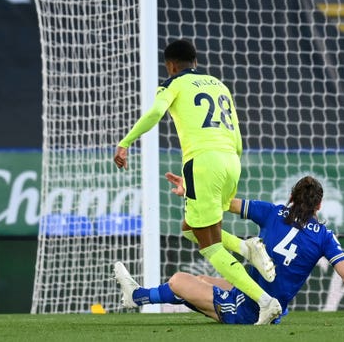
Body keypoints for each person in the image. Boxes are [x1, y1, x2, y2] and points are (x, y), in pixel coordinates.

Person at [113, 39, 280, 325]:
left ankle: (265, 301)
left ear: (170, 65)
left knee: (209, 246)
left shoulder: (171, 84)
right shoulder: (218, 84)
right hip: (231, 160)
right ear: (196, 61)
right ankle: (244, 248)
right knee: (190, 228)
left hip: (203, 162)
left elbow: (155, 113)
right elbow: (237, 135)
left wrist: (125, 142)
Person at [115, 173, 344, 325]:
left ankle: (138, 296)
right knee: (201, 282)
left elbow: (224, 202)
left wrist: (190, 188)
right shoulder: (325, 236)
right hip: (262, 298)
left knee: (179, 280)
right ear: (319, 206)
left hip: (247, 308)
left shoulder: (272, 212)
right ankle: (136, 296)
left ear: (291, 197)